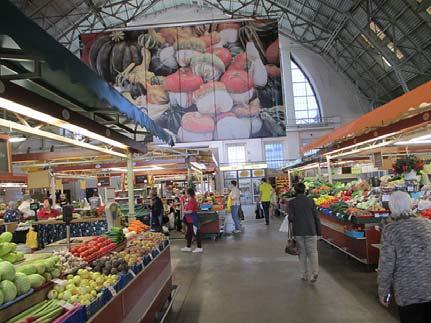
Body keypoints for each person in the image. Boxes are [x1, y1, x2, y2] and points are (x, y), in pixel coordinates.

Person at [378, 191, 431, 323]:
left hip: (407, 290)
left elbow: (386, 264)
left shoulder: (390, 230)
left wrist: (383, 291)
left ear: (391, 208)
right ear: (410, 204)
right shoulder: (427, 224)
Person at [288, 182, 321, 282]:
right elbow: (316, 217)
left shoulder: (292, 202)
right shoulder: (311, 201)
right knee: (313, 252)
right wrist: (319, 232)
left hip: (298, 231)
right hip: (311, 230)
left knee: (302, 253)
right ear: (304, 190)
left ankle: (304, 274)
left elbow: (291, 218)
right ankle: (315, 272)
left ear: (295, 190)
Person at [181, 188, 202, 253]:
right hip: (190, 220)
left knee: (196, 233)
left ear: (189, 193)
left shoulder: (192, 201)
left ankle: (199, 247)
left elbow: (190, 211)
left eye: (186, 193)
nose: (186, 194)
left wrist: (184, 211)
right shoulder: (191, 200)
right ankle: (188, 247)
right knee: (189, 234)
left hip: (193, 220)